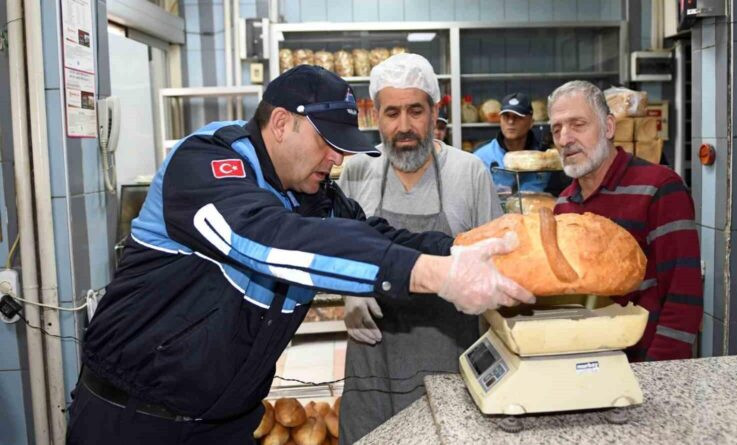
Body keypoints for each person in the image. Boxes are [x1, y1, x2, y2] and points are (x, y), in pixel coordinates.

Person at [65, 65, 534, 445]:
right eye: (327, 143)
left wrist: (471, 250)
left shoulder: (315, 197)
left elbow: (380, 236)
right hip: (132, 420)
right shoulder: (207, 163)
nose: (337, 160)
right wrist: (432, 274)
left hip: (225, 425)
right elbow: (267, 239)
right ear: (282, 123)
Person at [337, 53, 503, 445]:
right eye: (391, 113)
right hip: (372, 360)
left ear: (434, 112)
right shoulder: (357, 170)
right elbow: (335, 249)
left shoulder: (468, 173)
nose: (404, 126)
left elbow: (497, 267)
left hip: (452, 357)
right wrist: (349, 290)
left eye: (415, 111)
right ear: (374, 115)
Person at [548, 80, 702, 361]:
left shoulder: (659, 188)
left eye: (577, 124)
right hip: (586, 364)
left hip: (645, 365)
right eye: (556, 128)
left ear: (608, 127)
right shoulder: (564, 205)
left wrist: (662, 374)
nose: (564, 138)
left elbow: (683, 295)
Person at [473, 92, 570, 196]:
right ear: (500, 120)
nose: (510, 122)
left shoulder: (547, 159)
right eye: (506, 116)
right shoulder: (481, 156)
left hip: (535, 211)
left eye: (518, 117)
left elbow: (558, 196)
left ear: (531, 122)